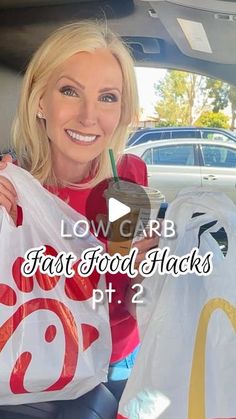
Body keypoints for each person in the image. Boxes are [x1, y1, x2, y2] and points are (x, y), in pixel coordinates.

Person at [0, 20, 158, 417]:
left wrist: (149, 272)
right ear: (40, 101)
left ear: (122, 110)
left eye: (108, 97)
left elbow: (131, 296)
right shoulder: (11, 189)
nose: (90, 116)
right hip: (38, 367)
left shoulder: (128, 180)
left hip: (121, 360)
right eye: (70, 91)